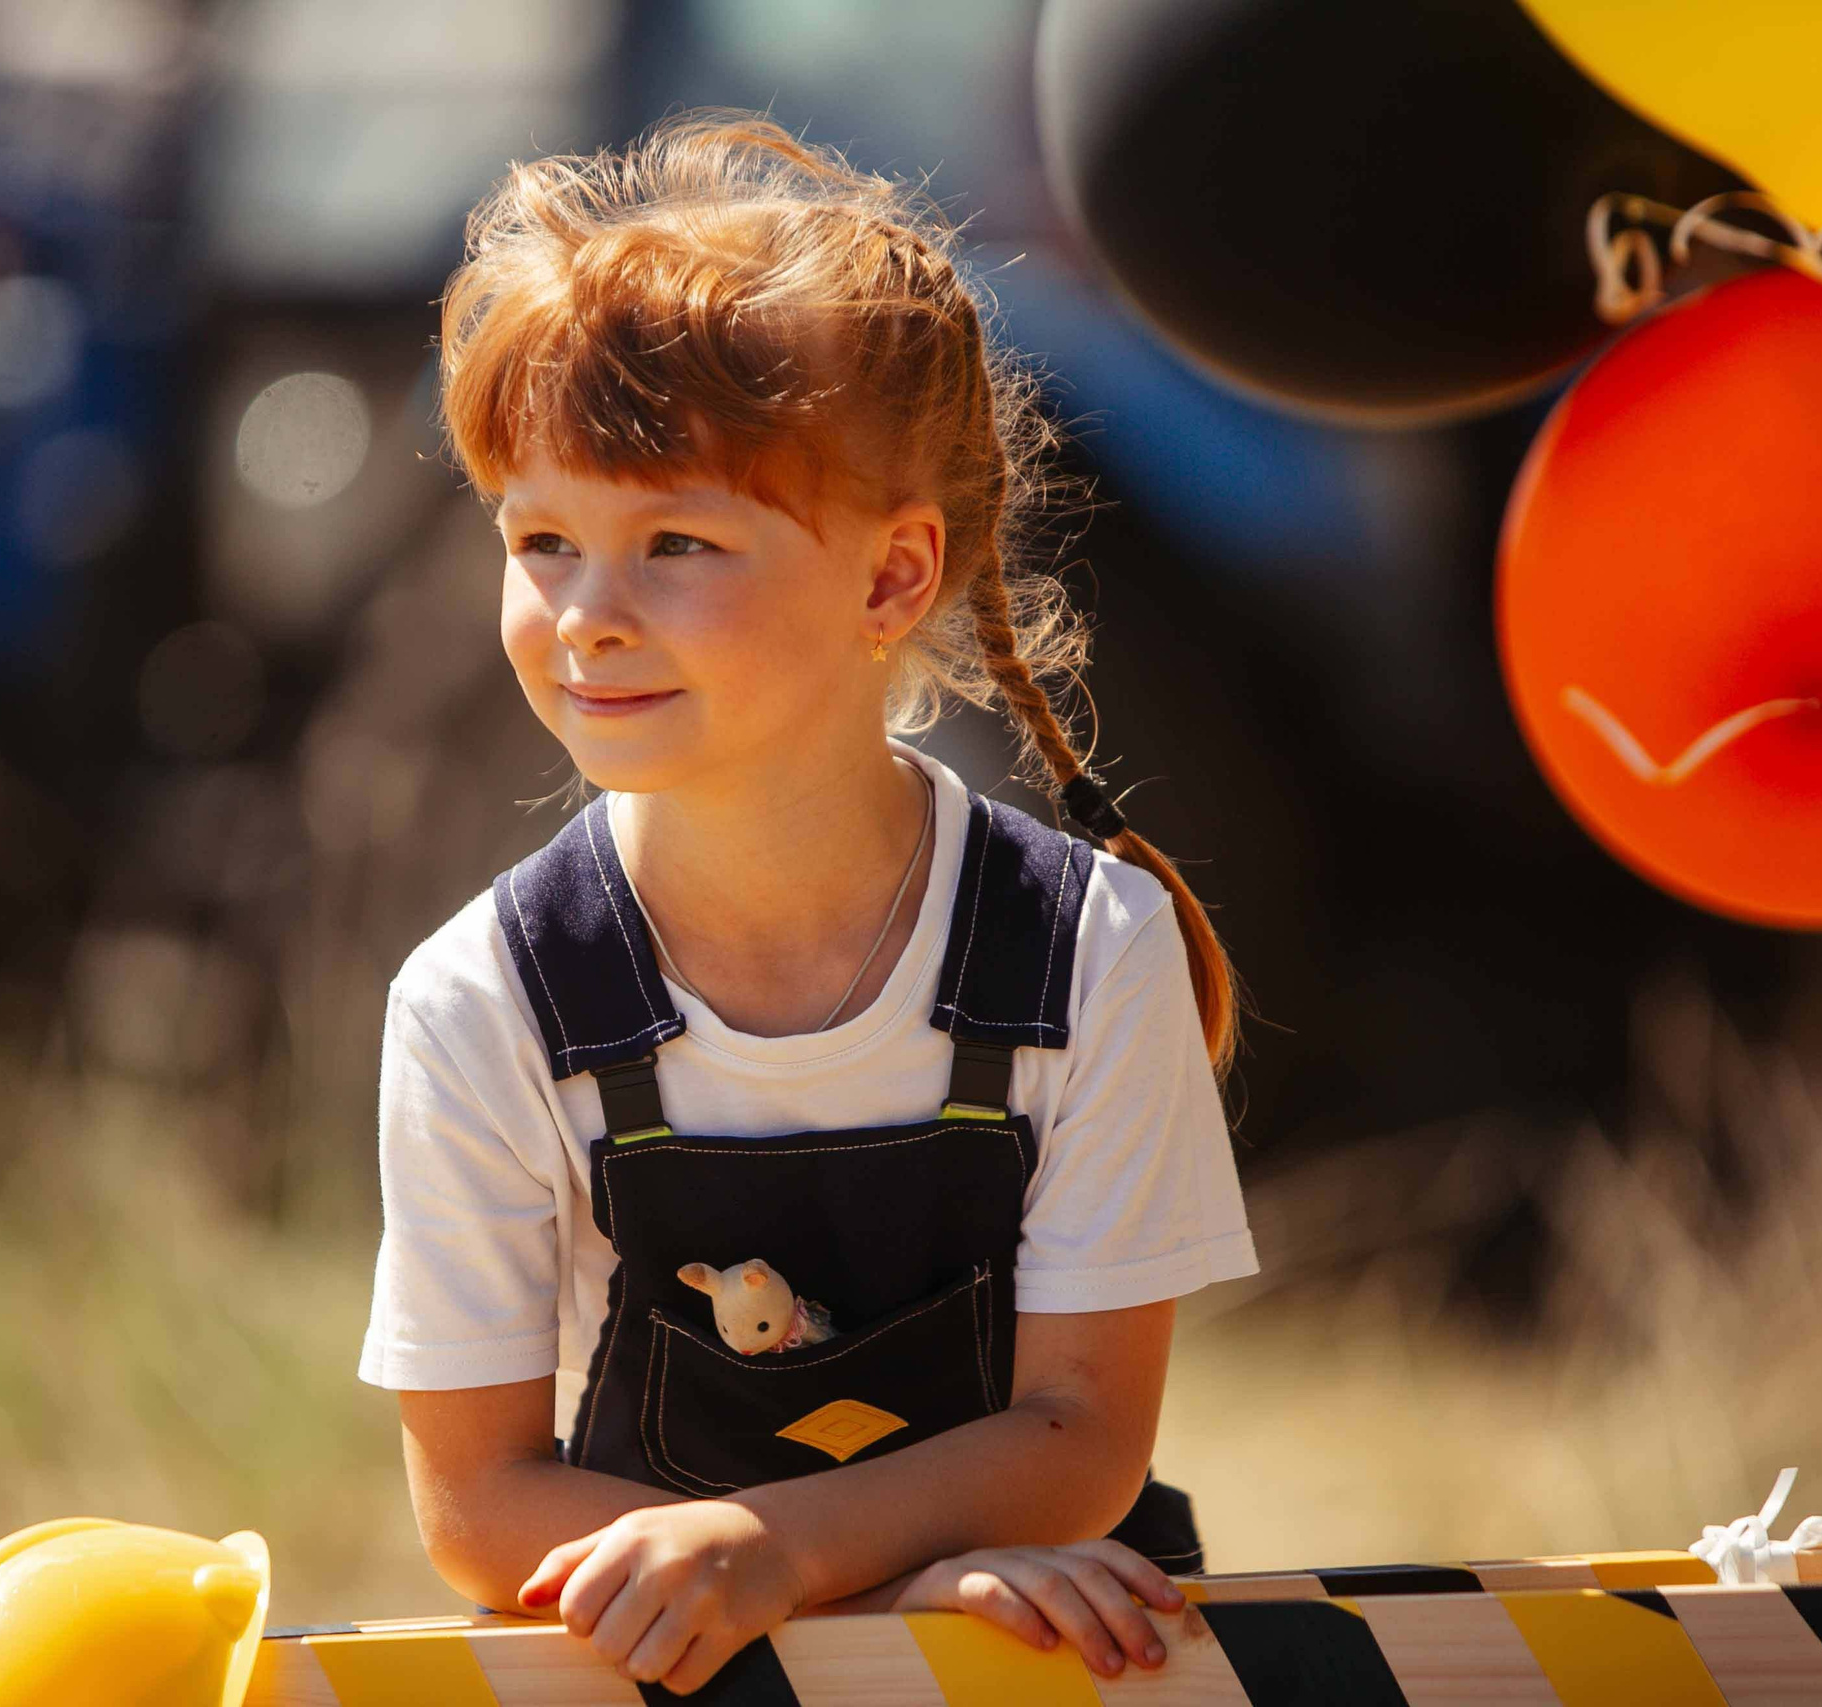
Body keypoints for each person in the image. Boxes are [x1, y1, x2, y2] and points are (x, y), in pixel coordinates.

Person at [355, 108, 1259, 1696]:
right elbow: (480, 1506)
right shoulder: (478, 1002)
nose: (585, 617)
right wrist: (853, 1585)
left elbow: (1085, 1438)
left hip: (1043, 1672)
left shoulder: (1091, 958)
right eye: (544, 539)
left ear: (895, 576)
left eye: (677, 542)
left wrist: (802, 1562)